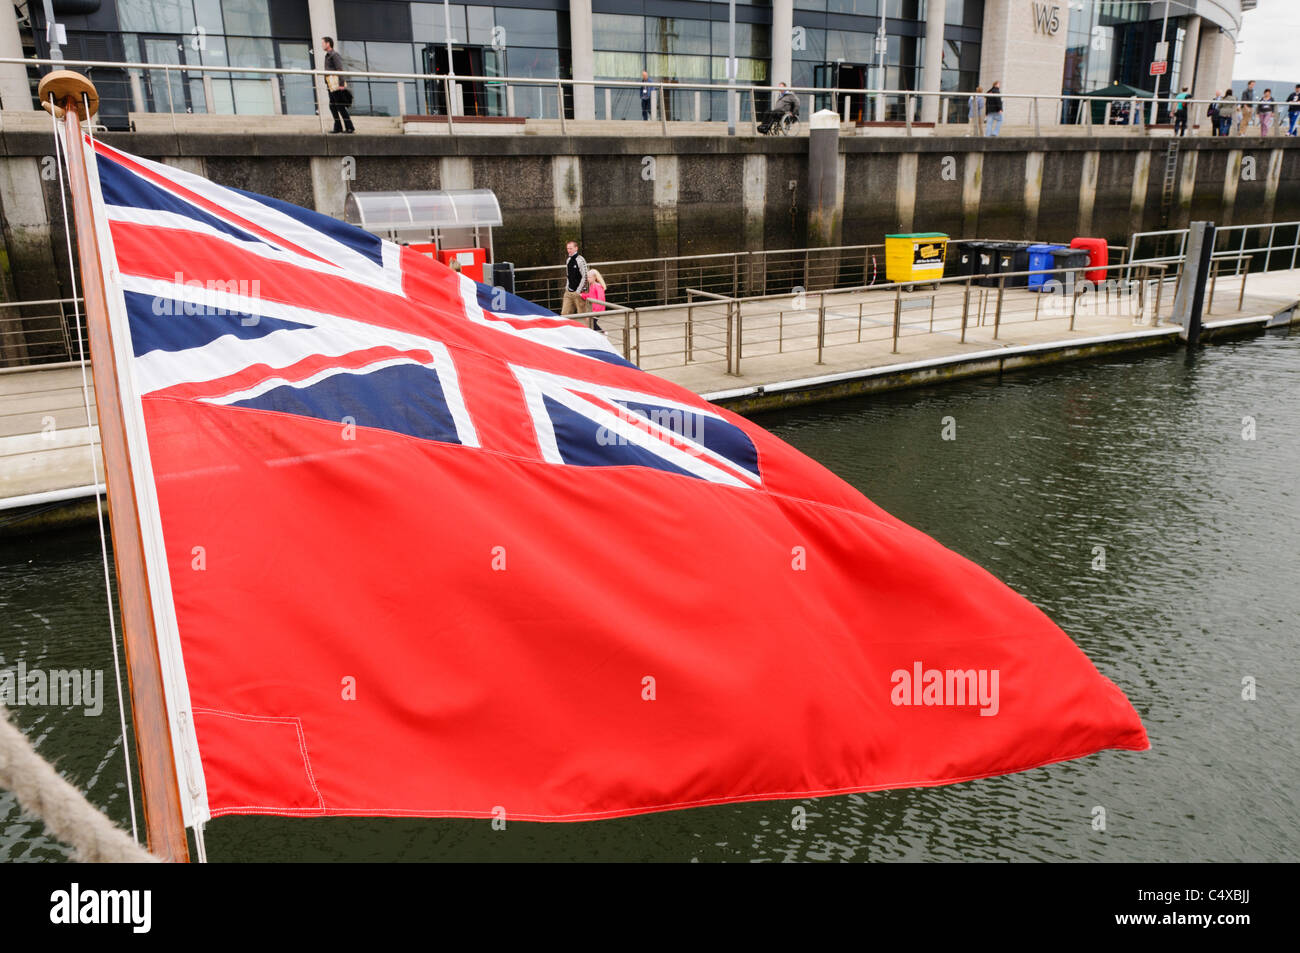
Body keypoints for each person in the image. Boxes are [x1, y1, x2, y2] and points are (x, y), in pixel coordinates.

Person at [321, 37, 354, 134]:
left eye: (323, 43)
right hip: (330, 85)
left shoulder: (334, 55)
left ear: (328, 44)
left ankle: (350, 127)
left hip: (336, 85)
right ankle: (338, 127)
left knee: (340, 107)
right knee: (332, 106)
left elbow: (340, 69)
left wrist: (341, 84)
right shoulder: (327, 56)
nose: (322, 45)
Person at [562, 240, 590, 316]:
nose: (569, 250)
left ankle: (587, 327)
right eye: (568, 248)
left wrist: (578, 291)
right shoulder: (568, 260)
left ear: (576, 248)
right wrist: (567, 287)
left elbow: (585, 276)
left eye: (571, 248)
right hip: (568, 292)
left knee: (582, 315)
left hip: (579, 293)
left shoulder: (581, 260)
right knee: (564, 314)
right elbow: (568, 275)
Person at [580, 268, 607, 332]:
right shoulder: (592, 285)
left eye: (589, 277)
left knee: (592, 323)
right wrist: (582, 295)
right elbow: (591, 295)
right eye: (587, 277)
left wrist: (595, 311)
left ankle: (603, 333)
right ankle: (599, 333)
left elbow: (600, 299)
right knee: (590, 322)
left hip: (597, 309)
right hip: (593, 308)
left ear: (595, 277)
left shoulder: (597, 286)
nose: (588, 279)